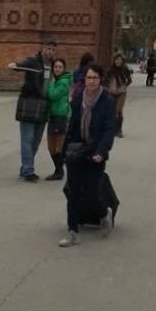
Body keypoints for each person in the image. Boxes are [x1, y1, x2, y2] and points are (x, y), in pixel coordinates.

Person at [59, 64, 117, 246]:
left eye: (94, 78)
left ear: (100, 80)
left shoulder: (107, 101)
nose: (91, 81)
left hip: (95, 151)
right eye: (88, 78)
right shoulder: (78, 99)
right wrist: (64, 150)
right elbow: (72, 126)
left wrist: (102, 151)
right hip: (77, 150)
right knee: (74, 192)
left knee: (92, 192)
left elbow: (109, 129)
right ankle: (72, 232)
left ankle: (103, 212)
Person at [9, 38, 57, 182]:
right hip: (29, 104)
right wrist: (15, 65)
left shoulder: (55, 65)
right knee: (27, 139)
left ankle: (25, 168)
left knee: (35, 141)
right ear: (42, 48)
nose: (50, 52)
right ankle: (29, 171)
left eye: (53, 49)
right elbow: (22, 65)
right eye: (48, 48)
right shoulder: (34, 61)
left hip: (44, 106)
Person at [45, 57, 72, 180]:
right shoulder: (58, 80)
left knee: (58, 146)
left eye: (60, 67)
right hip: (53, 116)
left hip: (60, 116)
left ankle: (59, 171)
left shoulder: (63, 82)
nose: (57, 69)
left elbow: (53, 95)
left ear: (64, 69)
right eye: (55, 67)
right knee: (51, 146)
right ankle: (58, 169)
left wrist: (50, 84)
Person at [104, 53, 133, 136]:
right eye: (117, 60)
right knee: (112, 111)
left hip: (121, 93)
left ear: (122, 61)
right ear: (114, 61)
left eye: (120, 60)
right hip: (111, 93)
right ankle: (112, 129)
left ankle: (119, 130)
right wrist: (108, 88)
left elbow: (129, 80)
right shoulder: (110, 70)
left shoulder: (125, 70)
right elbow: (105, 81)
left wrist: (124, 86)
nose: (118, 61)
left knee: (119, 111)